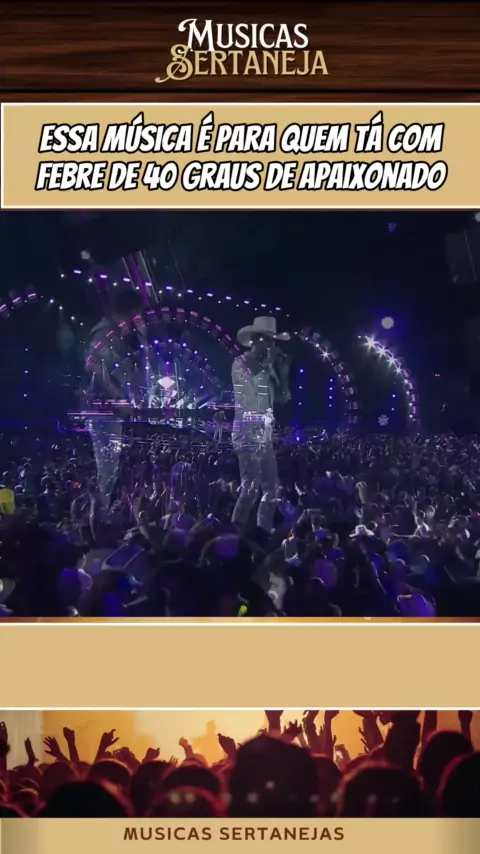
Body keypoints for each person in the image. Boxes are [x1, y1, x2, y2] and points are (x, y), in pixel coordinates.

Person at [231, 317, 291, 533]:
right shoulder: (241, 362)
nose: (272, 345)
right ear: (255, 339)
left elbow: (283, 398)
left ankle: (262, 532)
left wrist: (283, 374)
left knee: (272, 488)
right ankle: (235, 533)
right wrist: (269, 362)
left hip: (265, 433)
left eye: (273, 341)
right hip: (247, 430)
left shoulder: (269, 368)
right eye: (268, 340)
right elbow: (253, 376)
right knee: (250, 487)